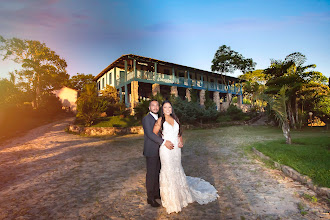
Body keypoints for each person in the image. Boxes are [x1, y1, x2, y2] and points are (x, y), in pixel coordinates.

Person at [153, 100, 219, 214]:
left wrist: (180, 142)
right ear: (162, 109)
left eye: (169, 107)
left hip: (176, 150)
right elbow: (154, 134)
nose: (167, 109)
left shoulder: (175, 119)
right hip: (166, 150)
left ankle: (181, 196)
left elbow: (179, 133)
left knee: (177, 169)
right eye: (165, 107)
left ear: (171, 108)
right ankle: (171, 200)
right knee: (168, 171)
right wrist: (164, 142)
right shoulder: (160, 120)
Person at [142, 100, 174, 208]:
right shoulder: (146, 119)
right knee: (151, 174)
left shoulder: (160, 118)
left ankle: (156, 193)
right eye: (153, 105)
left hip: (161, 151)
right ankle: (150, 198)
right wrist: (164, 142)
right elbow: (150, 134)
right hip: (151, 150)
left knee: (157, 172)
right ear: (149, 107)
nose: (155, 107)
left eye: (157, 105)